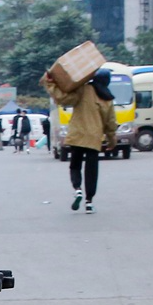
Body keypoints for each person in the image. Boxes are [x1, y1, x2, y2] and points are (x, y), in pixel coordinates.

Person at [43, 65, 118, 212]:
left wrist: (50, 83)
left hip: (77, 137)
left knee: (75, 166)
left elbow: (63, 98)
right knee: (91, 171)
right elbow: (110, 123)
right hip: (94, 139)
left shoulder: (84, 90)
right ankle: (89, 202)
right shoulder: (108, 99)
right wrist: (111, 141)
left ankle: (77, 188)